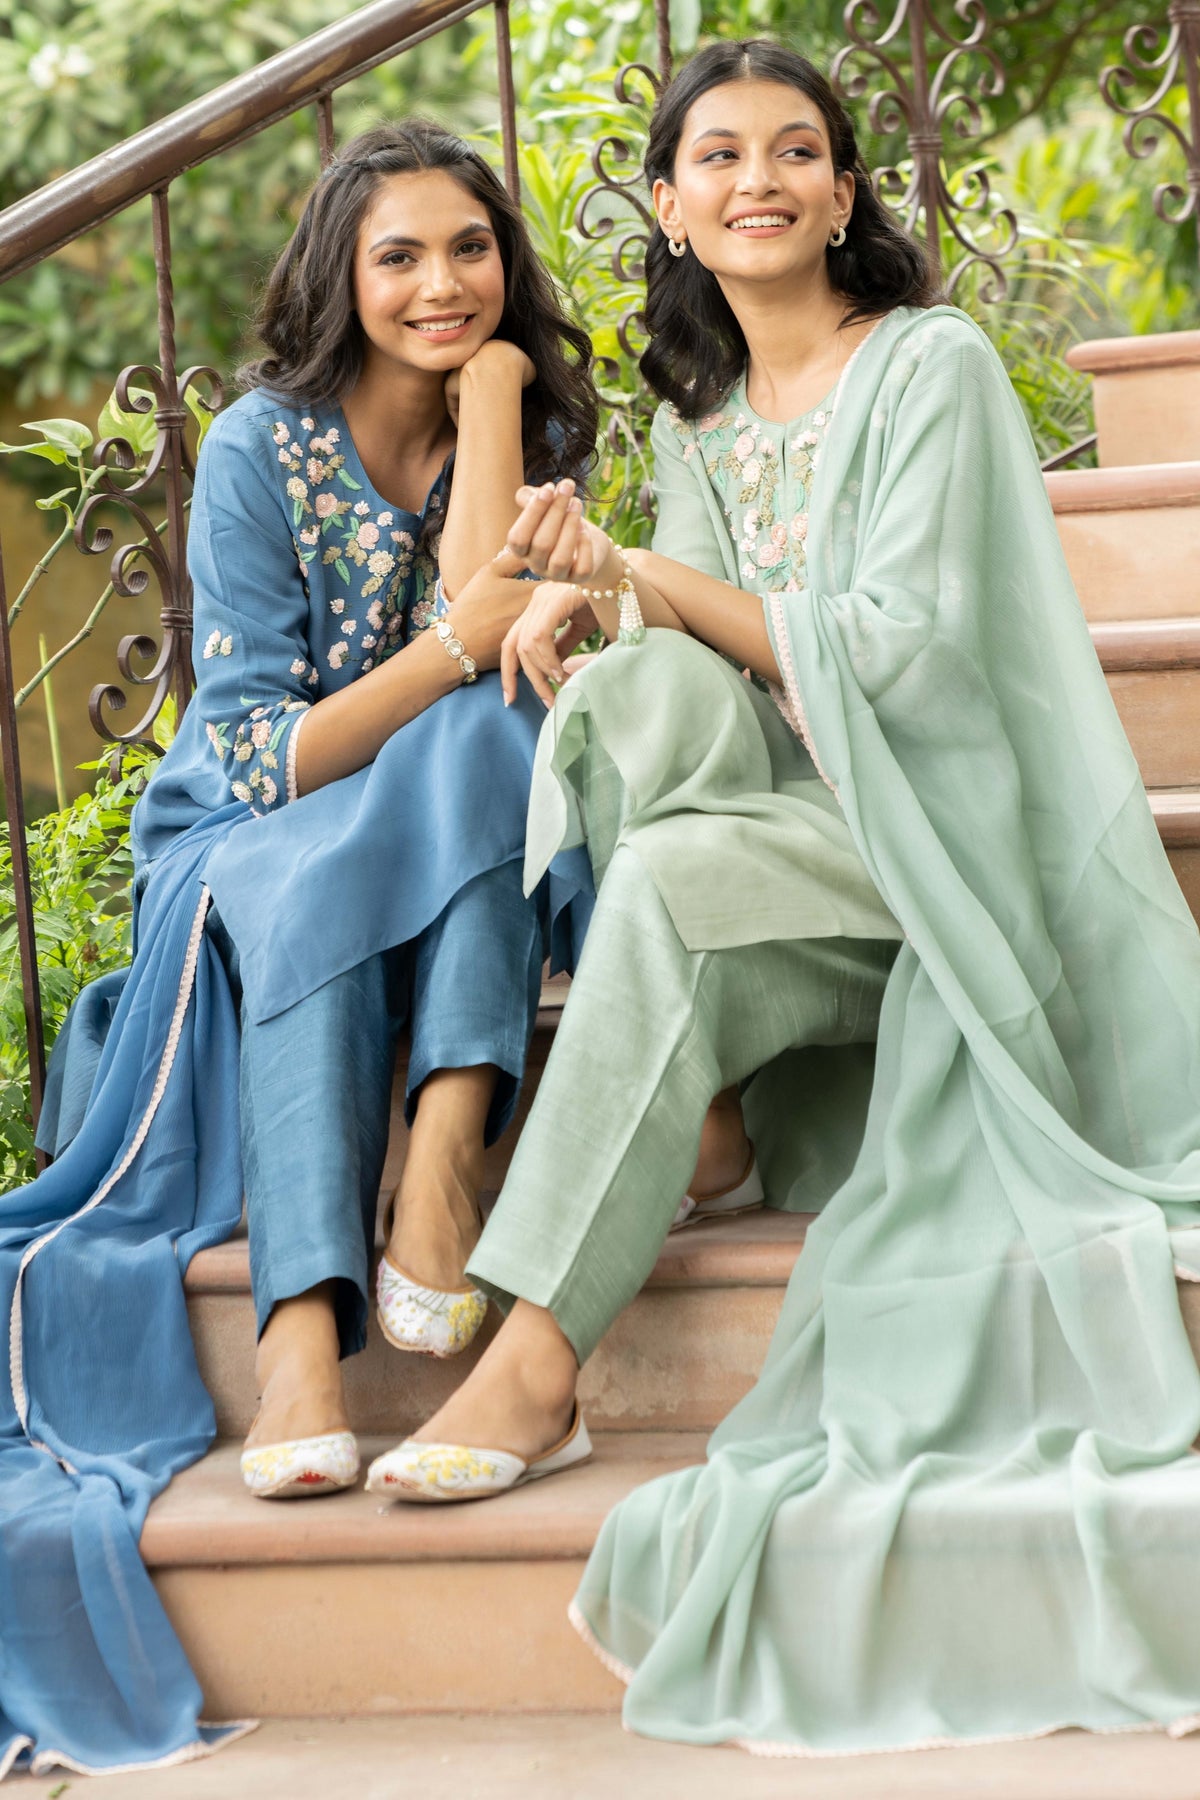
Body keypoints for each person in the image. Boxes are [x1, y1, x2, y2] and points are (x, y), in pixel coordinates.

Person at [365, 44, 1200, 1760]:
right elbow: (709, 678)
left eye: (799, 151)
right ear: (669, 208)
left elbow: (911, 663)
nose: (761, 179)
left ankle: (540, 1354)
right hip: (799, 838)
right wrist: (597, 612)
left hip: (954, 839)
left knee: (673, 868)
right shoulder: (703, 427)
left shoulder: (932, 369)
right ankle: (712, 1113)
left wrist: (646, 582)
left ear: (841, 194)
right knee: (623, 696)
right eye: (721, 155)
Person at [0, 119, 596, 1778]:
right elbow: (262, 752)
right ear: (341, 272)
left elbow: (503, 647)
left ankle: (439, 1161)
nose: (440, 284)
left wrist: (496, 401)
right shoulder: (264, 443)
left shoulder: (526, 424)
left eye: (470, 249)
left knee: (494, 740)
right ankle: (300, 1328)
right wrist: (458, 651)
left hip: (436, 815)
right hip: (251, 833)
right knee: (396, 790)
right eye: (398, 255)